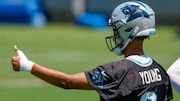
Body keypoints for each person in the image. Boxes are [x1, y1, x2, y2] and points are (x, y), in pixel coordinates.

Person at [11, 1, 173, 101]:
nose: (115, 34)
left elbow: (66, 82)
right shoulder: (160, 71)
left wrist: (27, 65)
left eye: (117, 29)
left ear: (128, 30)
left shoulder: (117, 72)